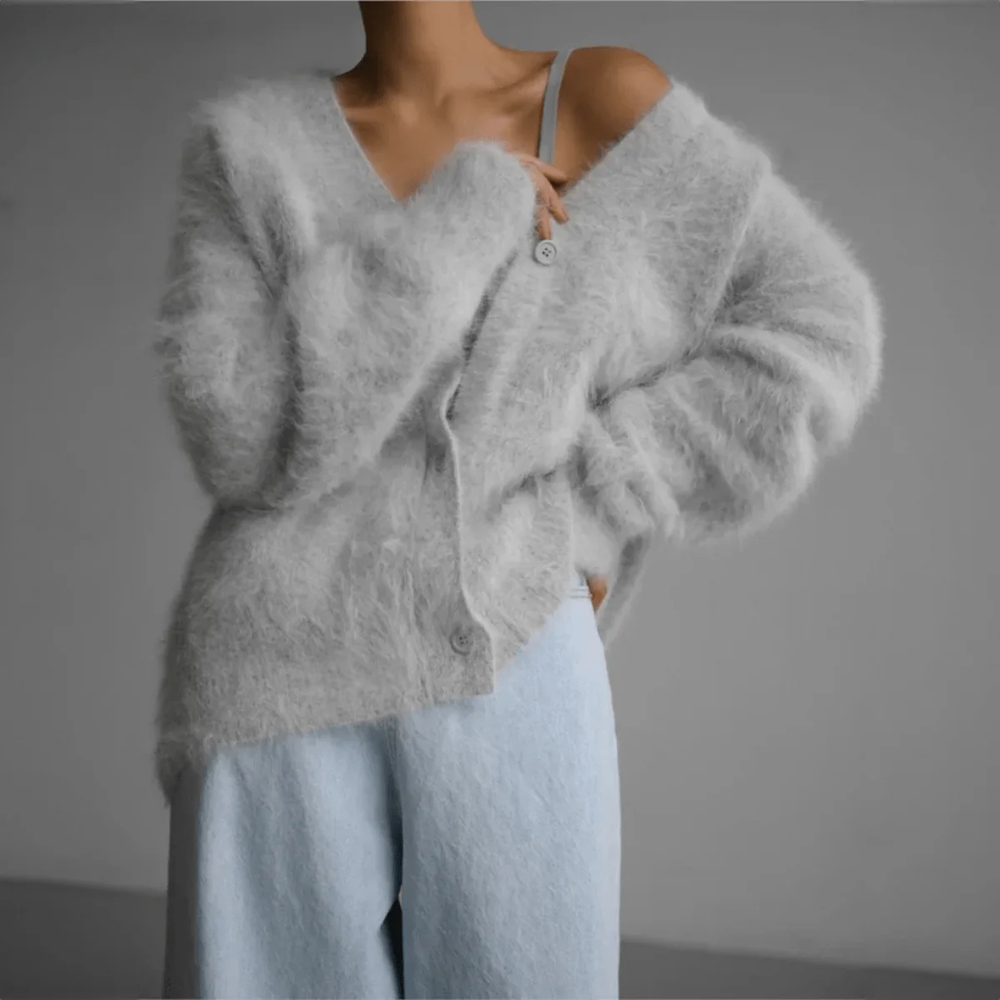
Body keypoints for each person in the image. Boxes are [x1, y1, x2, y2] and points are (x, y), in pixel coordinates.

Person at [156, 3, 884, 998]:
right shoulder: (251, 145)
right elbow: (239, 437)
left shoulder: (599, 101)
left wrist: (599, 494)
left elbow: (820, 327)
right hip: (277, 675)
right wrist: (461, 218)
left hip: (513, 644)